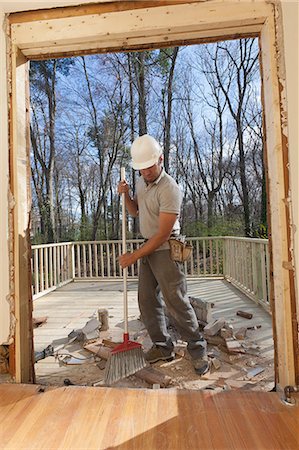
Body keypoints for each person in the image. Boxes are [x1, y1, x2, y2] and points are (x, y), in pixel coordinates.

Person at [118, 134, 209, 376]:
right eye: (141, 169)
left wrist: (133, 256)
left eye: (149, 166)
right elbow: (135, 211)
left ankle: (197, 348)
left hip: (166, 248)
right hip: (148, 246)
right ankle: (162, 346)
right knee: (146, 300)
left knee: (175, 300)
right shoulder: (140, 181)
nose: (146, 172)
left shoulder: (171, 189)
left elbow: (162, 234)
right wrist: (126, 195)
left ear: (161, 159)